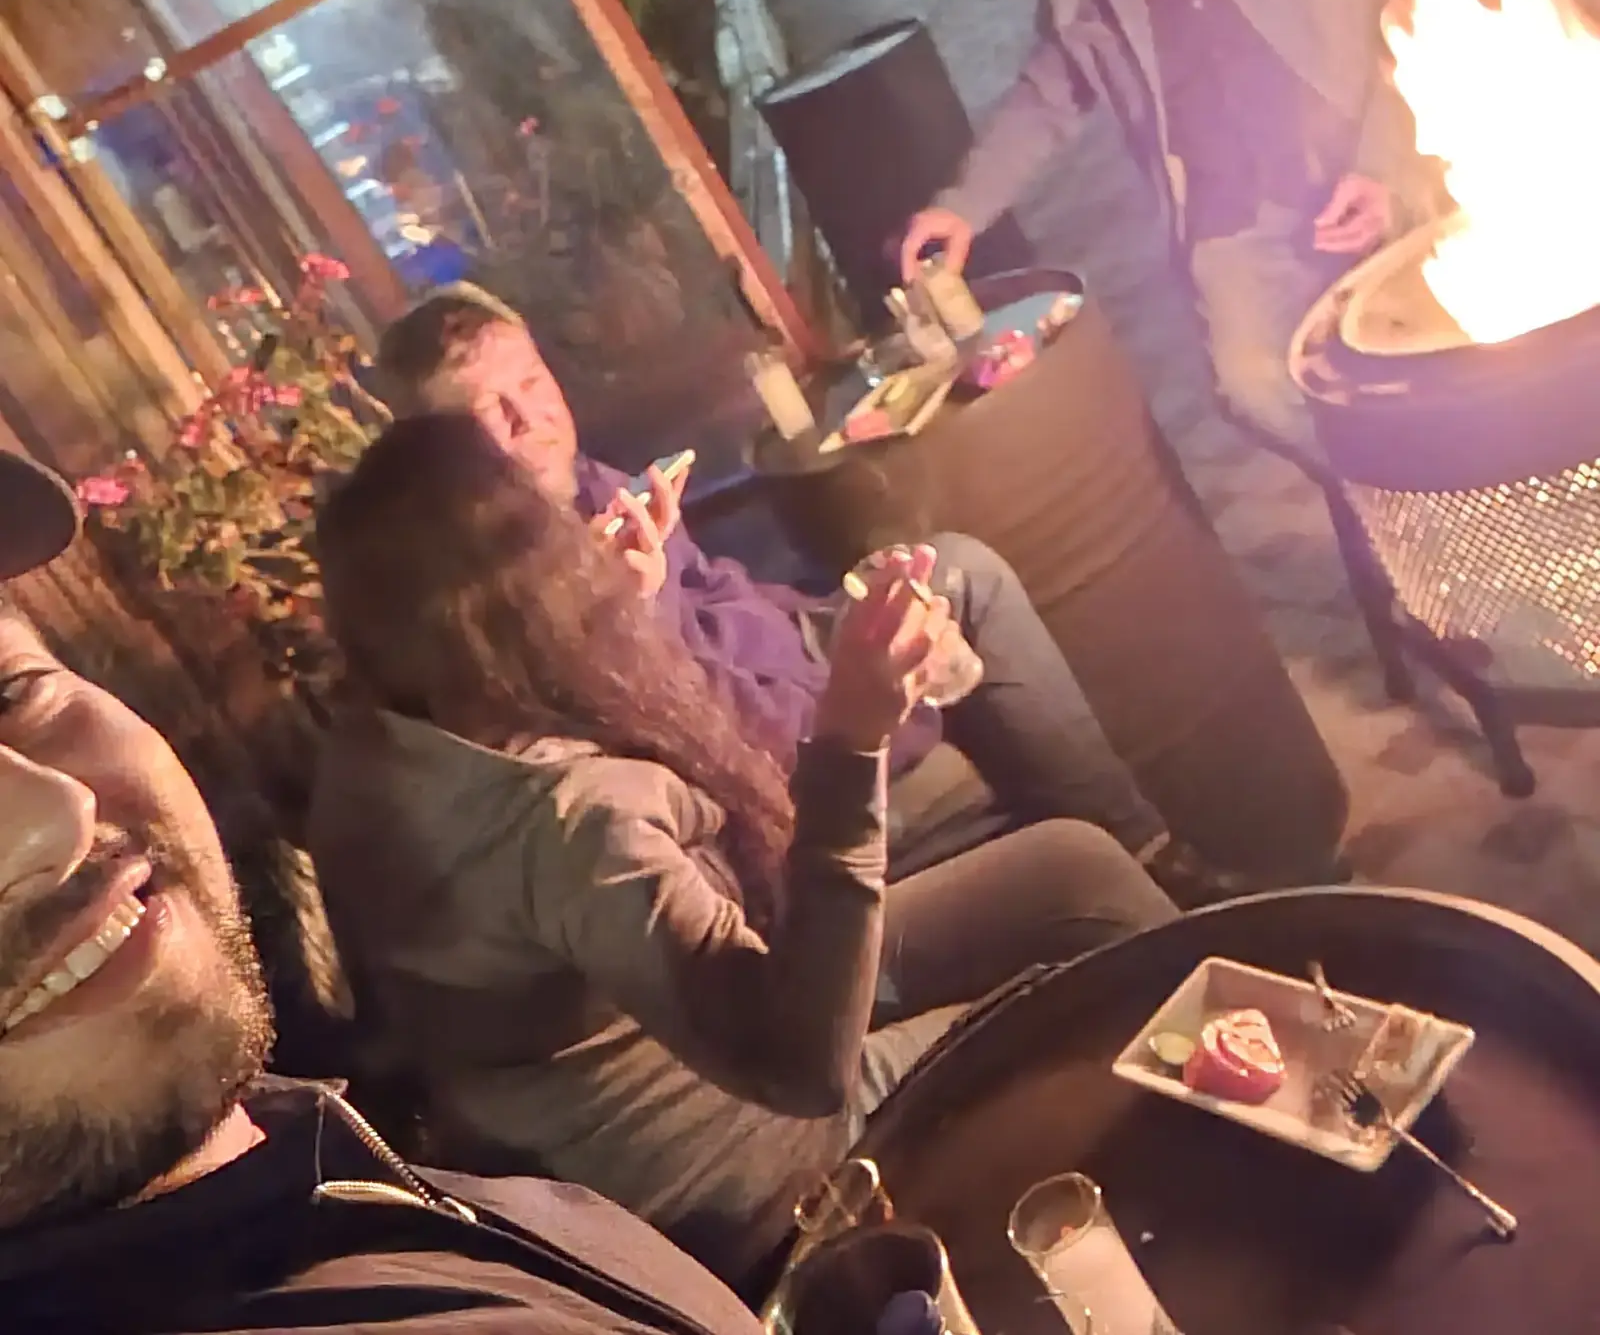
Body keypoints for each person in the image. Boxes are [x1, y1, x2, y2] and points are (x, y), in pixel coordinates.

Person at [308, 415, 1176, 1287]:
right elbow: (801, 1065)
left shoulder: (375, 748)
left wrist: (603, 617)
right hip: (755, 1165)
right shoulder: (562, 822)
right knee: (1094, 996)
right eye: (546, 529)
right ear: (513, 597)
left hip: (683, 1033)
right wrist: (852, 738)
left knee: (1075, 871)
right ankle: (1213, 1191)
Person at [0, 451, 761, 1335]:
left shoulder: (303, 1161)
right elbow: (791, 1051)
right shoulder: (544, 814)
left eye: (11, 690)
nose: (53, 812)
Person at [373, 283, 1239, 904]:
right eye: (492, 410)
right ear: (443, 448)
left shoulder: (597, 485)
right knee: (929, 636)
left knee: (952, 567)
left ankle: (1149, 846)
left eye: (531, 381)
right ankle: (1105, 861)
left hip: (780, 663)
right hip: (766, 753)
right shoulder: (503, 594)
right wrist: (626, 615)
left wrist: (842, 606)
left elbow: (724, 594)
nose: (532, 420)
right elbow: (682, 738)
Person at [898, 0, 1449, 661]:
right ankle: (1421, 511)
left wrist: (1384, 167)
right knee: (1249, 380)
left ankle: (1444, 504)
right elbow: (1047, 93)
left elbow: (1414, 10)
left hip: (1384, 179)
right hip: (1247, 230)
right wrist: (962, 205)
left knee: (1459, 356)